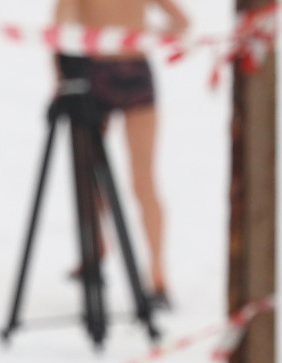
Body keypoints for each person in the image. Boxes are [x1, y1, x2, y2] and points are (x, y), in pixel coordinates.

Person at [55, 0, 185, 306]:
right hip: (134, 70)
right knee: (141, 180)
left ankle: (103, 255)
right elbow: (181, 22)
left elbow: (59, 32)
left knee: (94, 173)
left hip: (98, 73)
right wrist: (140, 34)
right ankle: (155, 275)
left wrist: (61, 82)